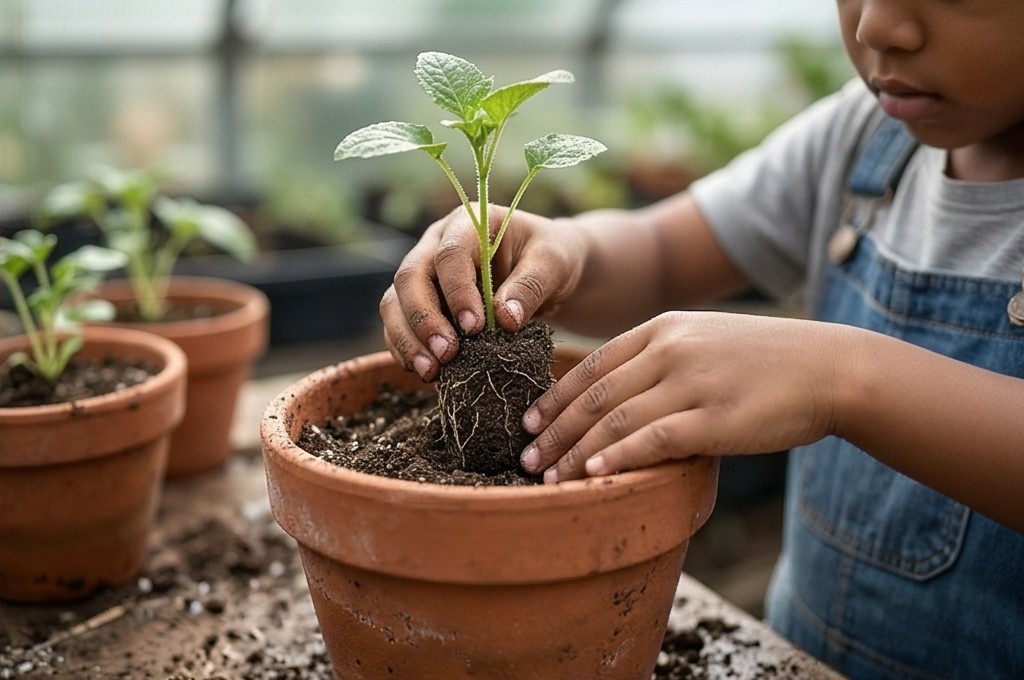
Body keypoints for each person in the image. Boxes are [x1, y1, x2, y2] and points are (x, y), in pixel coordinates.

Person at [378, 1, 1024, 677]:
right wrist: (565, 250)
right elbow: (662, 253)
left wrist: (839, 378)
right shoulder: (863, 136)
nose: (876, 26)